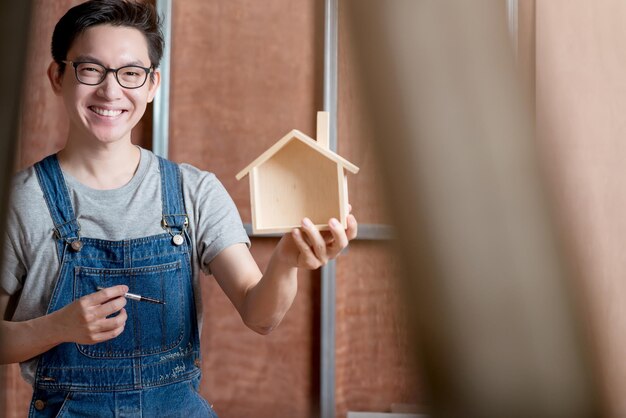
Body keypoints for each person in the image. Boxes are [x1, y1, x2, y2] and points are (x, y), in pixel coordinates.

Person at [0, 1, 357, 416]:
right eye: (90, 69)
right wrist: (59, 327)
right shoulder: (20, 201)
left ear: (152, 85)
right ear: (57, 76)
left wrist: (287, 260)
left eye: (130, 73)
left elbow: (261, 315)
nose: (111, 91)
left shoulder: (194, 191)